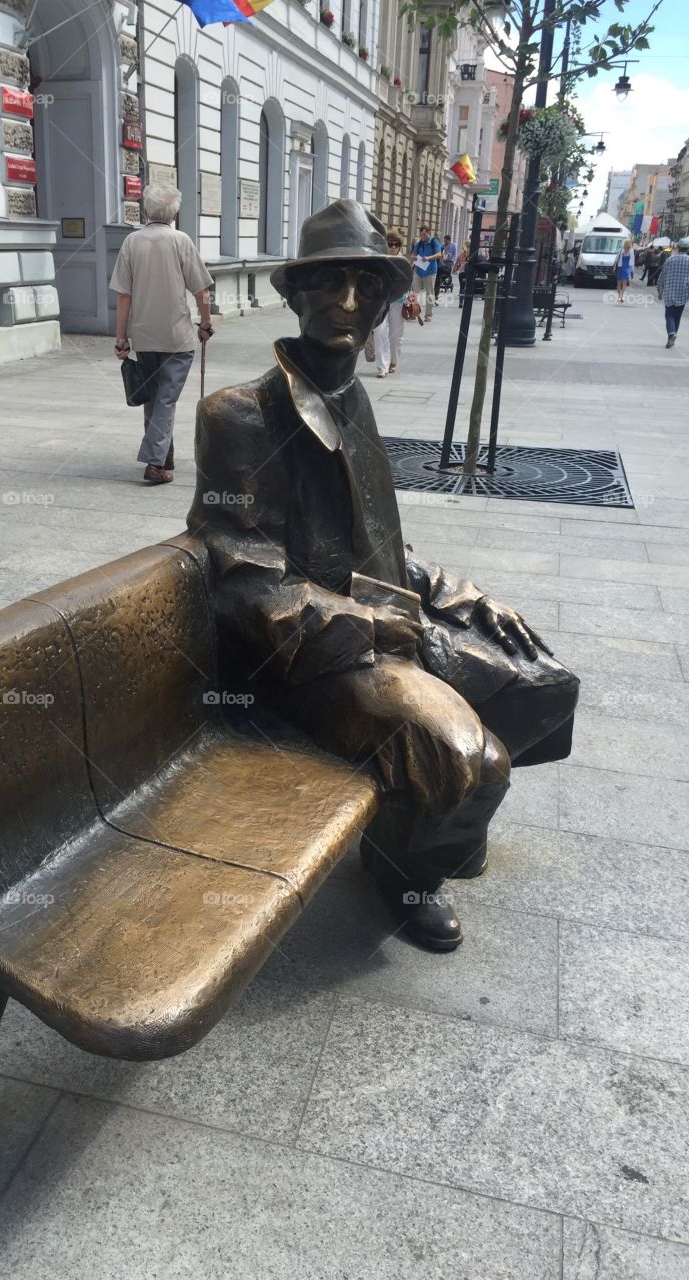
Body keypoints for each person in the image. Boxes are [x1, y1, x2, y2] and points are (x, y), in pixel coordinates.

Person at [188, 200, 579, 952]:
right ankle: (406, 874)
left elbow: (378, 545)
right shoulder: (239, 415)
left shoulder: (351, 396)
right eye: (329, 284)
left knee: (546, 683)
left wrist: (459, 595)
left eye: (367, 287)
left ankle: (428, 825)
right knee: (473, 758)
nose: (347, 304)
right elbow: (243, 582)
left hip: (380, 621)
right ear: (294, 293)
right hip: (302, 661)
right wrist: (377, 625)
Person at [110, 183, 214, 485]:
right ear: (174, 214)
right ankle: (155, 464)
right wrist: (205, 322)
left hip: (144, 336)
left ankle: (164, 455)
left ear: (146, 210)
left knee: (155, 398)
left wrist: (121, 337)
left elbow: (123, 296)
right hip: (177, 336)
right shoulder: (181, 241)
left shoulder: (132, 242)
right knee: (165, 399)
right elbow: (201, 290)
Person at [366, 229, 407, 377]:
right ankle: (382, 367)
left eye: (397, 245)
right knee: (379, 332)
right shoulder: (379, 260)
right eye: (390, 244)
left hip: (398, 301)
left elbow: (408, 282)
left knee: (396, 336)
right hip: (381, 302)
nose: (394, 247)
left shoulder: (403, 262)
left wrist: (412, 296)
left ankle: (393, 361)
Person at [658, 236, 689, 349]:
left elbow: (662, 276)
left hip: (670, 291)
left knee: (669, 315)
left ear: (678, 247)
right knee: (677, 316)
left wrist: (660, 290)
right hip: (683, 292)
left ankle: (671, 334)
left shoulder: (670, 259)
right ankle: (673, 335)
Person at [410, 223, 443, 321]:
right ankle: (414, 312)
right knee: (414, 293)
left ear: (429, 233)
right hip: (418, 270)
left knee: (430, 294)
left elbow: (439, 254)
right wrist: (417, 257)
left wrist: (429, 257)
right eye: (421, 235)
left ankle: (428, 315)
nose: (422, 237)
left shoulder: (434, 242)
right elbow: (412, 255)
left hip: (430, 271)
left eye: (424, 235)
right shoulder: (419, 243)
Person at [435, 233, 457, 302]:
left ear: (449, 240)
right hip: (442, 263)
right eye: (444, 240)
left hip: (449, 262)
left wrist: (453, 260)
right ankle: (436, 295)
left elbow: (454, 254)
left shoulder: (453, 246)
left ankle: (446, 281)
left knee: (447, 273)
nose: (444, 242)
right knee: (438, 280)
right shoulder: (442, 246)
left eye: (445, 240)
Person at [614, 237, 636, 303]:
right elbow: (617, 258)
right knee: (619, 283)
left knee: (624, 282)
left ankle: (622, 296)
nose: (630, 244)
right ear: (626, 243)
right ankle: (619, 296)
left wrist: (632, 270)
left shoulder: (631, 251)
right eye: (629, 243)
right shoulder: (621, 250)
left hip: (627, 267)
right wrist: (614, 266)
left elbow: (633, 260)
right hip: (620, 267)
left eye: (630, 243)